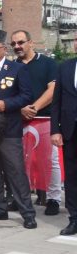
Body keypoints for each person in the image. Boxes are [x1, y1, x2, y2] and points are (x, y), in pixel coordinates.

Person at [0, 29, 37, 229]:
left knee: (16, 172)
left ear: (4, 49)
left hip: (9, 130)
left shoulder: (17, 69)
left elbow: (26, 96)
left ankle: (27, 213)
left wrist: (7, 104)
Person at [13, 29, 61, 215]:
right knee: (20, 162)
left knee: (50, 161)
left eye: (21, 42)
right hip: (19, 119)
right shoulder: (12, 67)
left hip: (45, 118)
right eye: (14, 44)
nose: (17, 46)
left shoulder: (48, 63)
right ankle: (23, 199)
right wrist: (20, 109)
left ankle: (53, 199)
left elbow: (53, 89)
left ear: (31, 42)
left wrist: (34, 107)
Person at [51, 55, 77, 235]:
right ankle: (74, 218)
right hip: (70, 130)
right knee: (72, 177)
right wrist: (55, 129)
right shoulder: (65, 67)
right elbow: (57, 101)